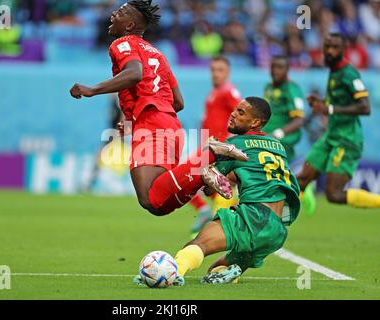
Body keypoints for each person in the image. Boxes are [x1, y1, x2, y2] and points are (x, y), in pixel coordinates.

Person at [69, 0, 248, 217]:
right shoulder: (158, 54)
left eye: (121, 12)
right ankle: (201, 173)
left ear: (129, 25)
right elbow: (179, 102)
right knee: (158, 203)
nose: (114, 13)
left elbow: (135, 74)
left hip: (152, 126)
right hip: (169, 126)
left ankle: (207, 157)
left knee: (148, 197)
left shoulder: (123, 43)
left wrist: (92, 89)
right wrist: (136, 118)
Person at [133, 97, 301, 286]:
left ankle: (168, 275)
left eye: (241, 113)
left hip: (254, 218)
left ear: (255, 122)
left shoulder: (236, 144)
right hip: (277, 230)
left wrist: (208, 178)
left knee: (197, 245)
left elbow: (207, 187)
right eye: (235, 109)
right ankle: (231, 272)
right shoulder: (278, 147)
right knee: (216, 270)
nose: (233, 114)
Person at [298, 33, 380, 213]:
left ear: (344, 50)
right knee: (302, 179)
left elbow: (365, 107)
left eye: (335, 48)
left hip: (346, 140)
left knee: (333, 194)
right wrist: (321, 103)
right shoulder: (334, 71)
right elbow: (339, 101)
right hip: (330, 136)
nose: (329, 51)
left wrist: (331, 109)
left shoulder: (349, 74)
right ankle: (278, 225)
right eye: (327, 47)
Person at [189, 55, 242, 235]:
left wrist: (228, 144)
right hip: (209, 148)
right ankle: (218, 219)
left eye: (220, 70)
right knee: (210, 187)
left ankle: (212, 222)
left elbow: (242, 117)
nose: (215, 74)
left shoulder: (229, 92)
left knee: (192, 176)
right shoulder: (214, 94)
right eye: (213, 70)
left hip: (219, 150)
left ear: (228, 72)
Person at [263, 55, 305, 161]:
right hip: (265, 139)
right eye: (273, 67)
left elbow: (299, 120)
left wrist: (278, 134)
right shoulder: (269, 87)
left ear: (287, 69)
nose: (275, 71)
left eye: (280, 67)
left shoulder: (292, 90)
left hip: (281, 143)